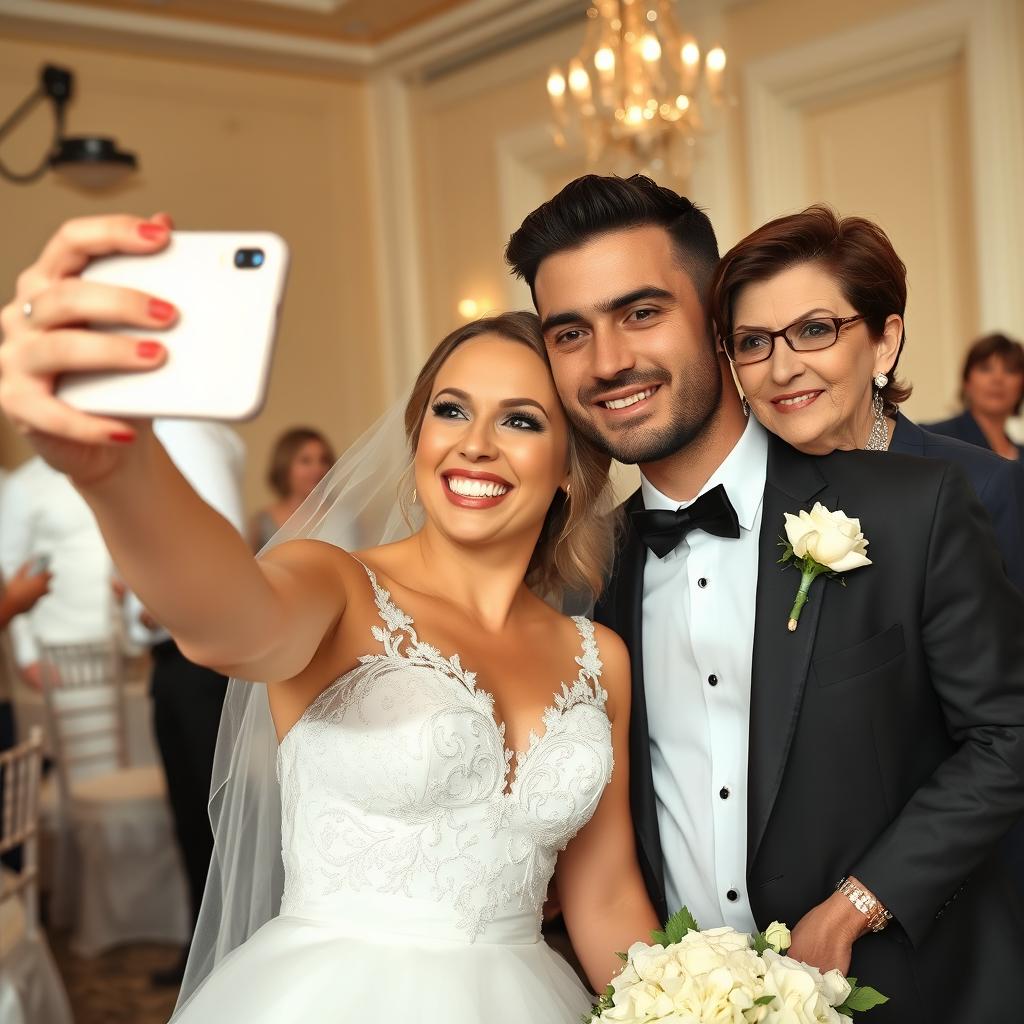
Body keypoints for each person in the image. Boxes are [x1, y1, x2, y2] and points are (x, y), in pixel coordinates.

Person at [0, 211, 659, 1024]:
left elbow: (604, 898)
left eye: (521, 421)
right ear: (417, 433)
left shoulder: (599, 656)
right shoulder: (336, 587)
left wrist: (698, 1004)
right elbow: (227, 621)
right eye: (452, 411)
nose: (476, 444)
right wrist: (118, 469)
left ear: (568, 465)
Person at [506, 174, 1024, 1022]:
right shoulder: (578, 581)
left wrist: (861, 903)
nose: (607, 362)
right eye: (571, 332)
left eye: (641, 313)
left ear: (716, 329)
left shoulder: (908, 507)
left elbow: (1008, 733)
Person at [705, 206, 1024, 593]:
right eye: (753, 342)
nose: (781, 371)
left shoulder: (983, 486)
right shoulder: (733, 503)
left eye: (815, 330)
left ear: (884, 344)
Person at [122, 418, 247, 987]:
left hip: (195, 660)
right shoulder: (179, 431)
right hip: (180, 660)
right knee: (196, 816)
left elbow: (218, 553)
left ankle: (224, 952)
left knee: (210, 817)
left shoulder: (180, 431)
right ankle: (210, 945)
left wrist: (154, 598)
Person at [0, 456, 119, 688]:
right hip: (61, 651)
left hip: (119, 641)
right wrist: (27, 656)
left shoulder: (115, 470)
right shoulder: (25, 484)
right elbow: (10, 572)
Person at [926, 333, 1024, 460]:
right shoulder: (930, 440)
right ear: (967, 382)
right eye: (985, 368)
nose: (998, 379)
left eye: (1010, 370)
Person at [249, 427, 334, 550]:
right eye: (306, 461)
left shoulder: (346, 517)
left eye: (323, 460)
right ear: (285, 466)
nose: (318, 469)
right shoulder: (261, 524)